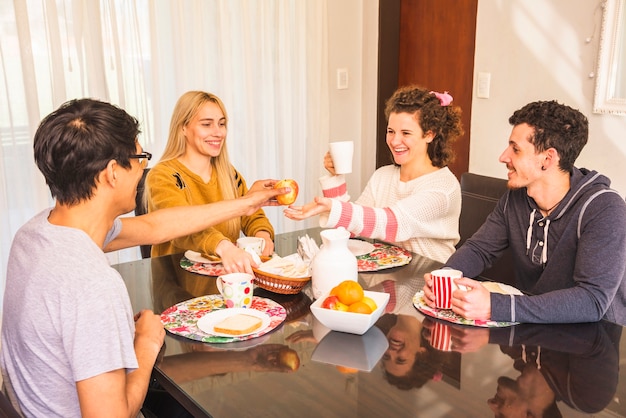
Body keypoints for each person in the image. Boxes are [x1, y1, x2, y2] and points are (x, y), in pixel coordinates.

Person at [0, 98, 288, 417]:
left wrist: (246, 203)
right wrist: (147, 343)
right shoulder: (92, 284)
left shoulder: (36, 233)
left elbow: (155, 226)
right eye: (139, 157)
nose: (143, 168)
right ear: (112, 173)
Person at [423, 100, 626, 325]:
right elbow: (480, 249)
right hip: (534, 333)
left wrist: (494, 306)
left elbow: (592, 301)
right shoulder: (516, 197)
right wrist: (446, 277)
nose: (503, 157)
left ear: (548, 159)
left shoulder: (605, 209)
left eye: (515, 149)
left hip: (594, 342)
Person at [284, 85, 463, 263]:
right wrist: (335, 178)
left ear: (429, 135)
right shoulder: (383, 176)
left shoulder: (443, 187)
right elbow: (352, 228)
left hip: (432, 280)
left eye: (406, 133)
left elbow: (393, 223)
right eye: (391, 131)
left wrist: (332, 207)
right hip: (391, 277)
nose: (395, 141)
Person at [145, 91, 275, 274]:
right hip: (178, 282)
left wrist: (262, 236)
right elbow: (180, 226)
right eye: (207, 124)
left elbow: (251, 214)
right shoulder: (163, 176)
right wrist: (223, 246)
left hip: (227, 279)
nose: (218, 132)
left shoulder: (229, 174)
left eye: (222, 124)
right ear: (183, 127)